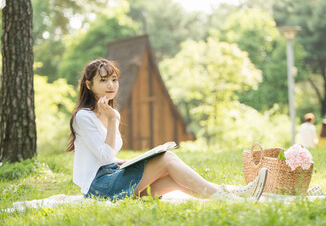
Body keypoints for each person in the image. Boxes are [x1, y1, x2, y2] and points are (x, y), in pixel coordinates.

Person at [67, 58, 268, 202]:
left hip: (115, 175)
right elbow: (104, 158)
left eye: (114, 79)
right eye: (103, 80)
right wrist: (111, 120)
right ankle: (229, 196)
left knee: (175, 179)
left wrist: (133, 161)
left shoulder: (113, 113)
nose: (110, 85)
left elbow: (110, 158)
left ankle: (233, 197)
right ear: (89, 84)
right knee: (167, 159)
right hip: (100, 187)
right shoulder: (83, 117)